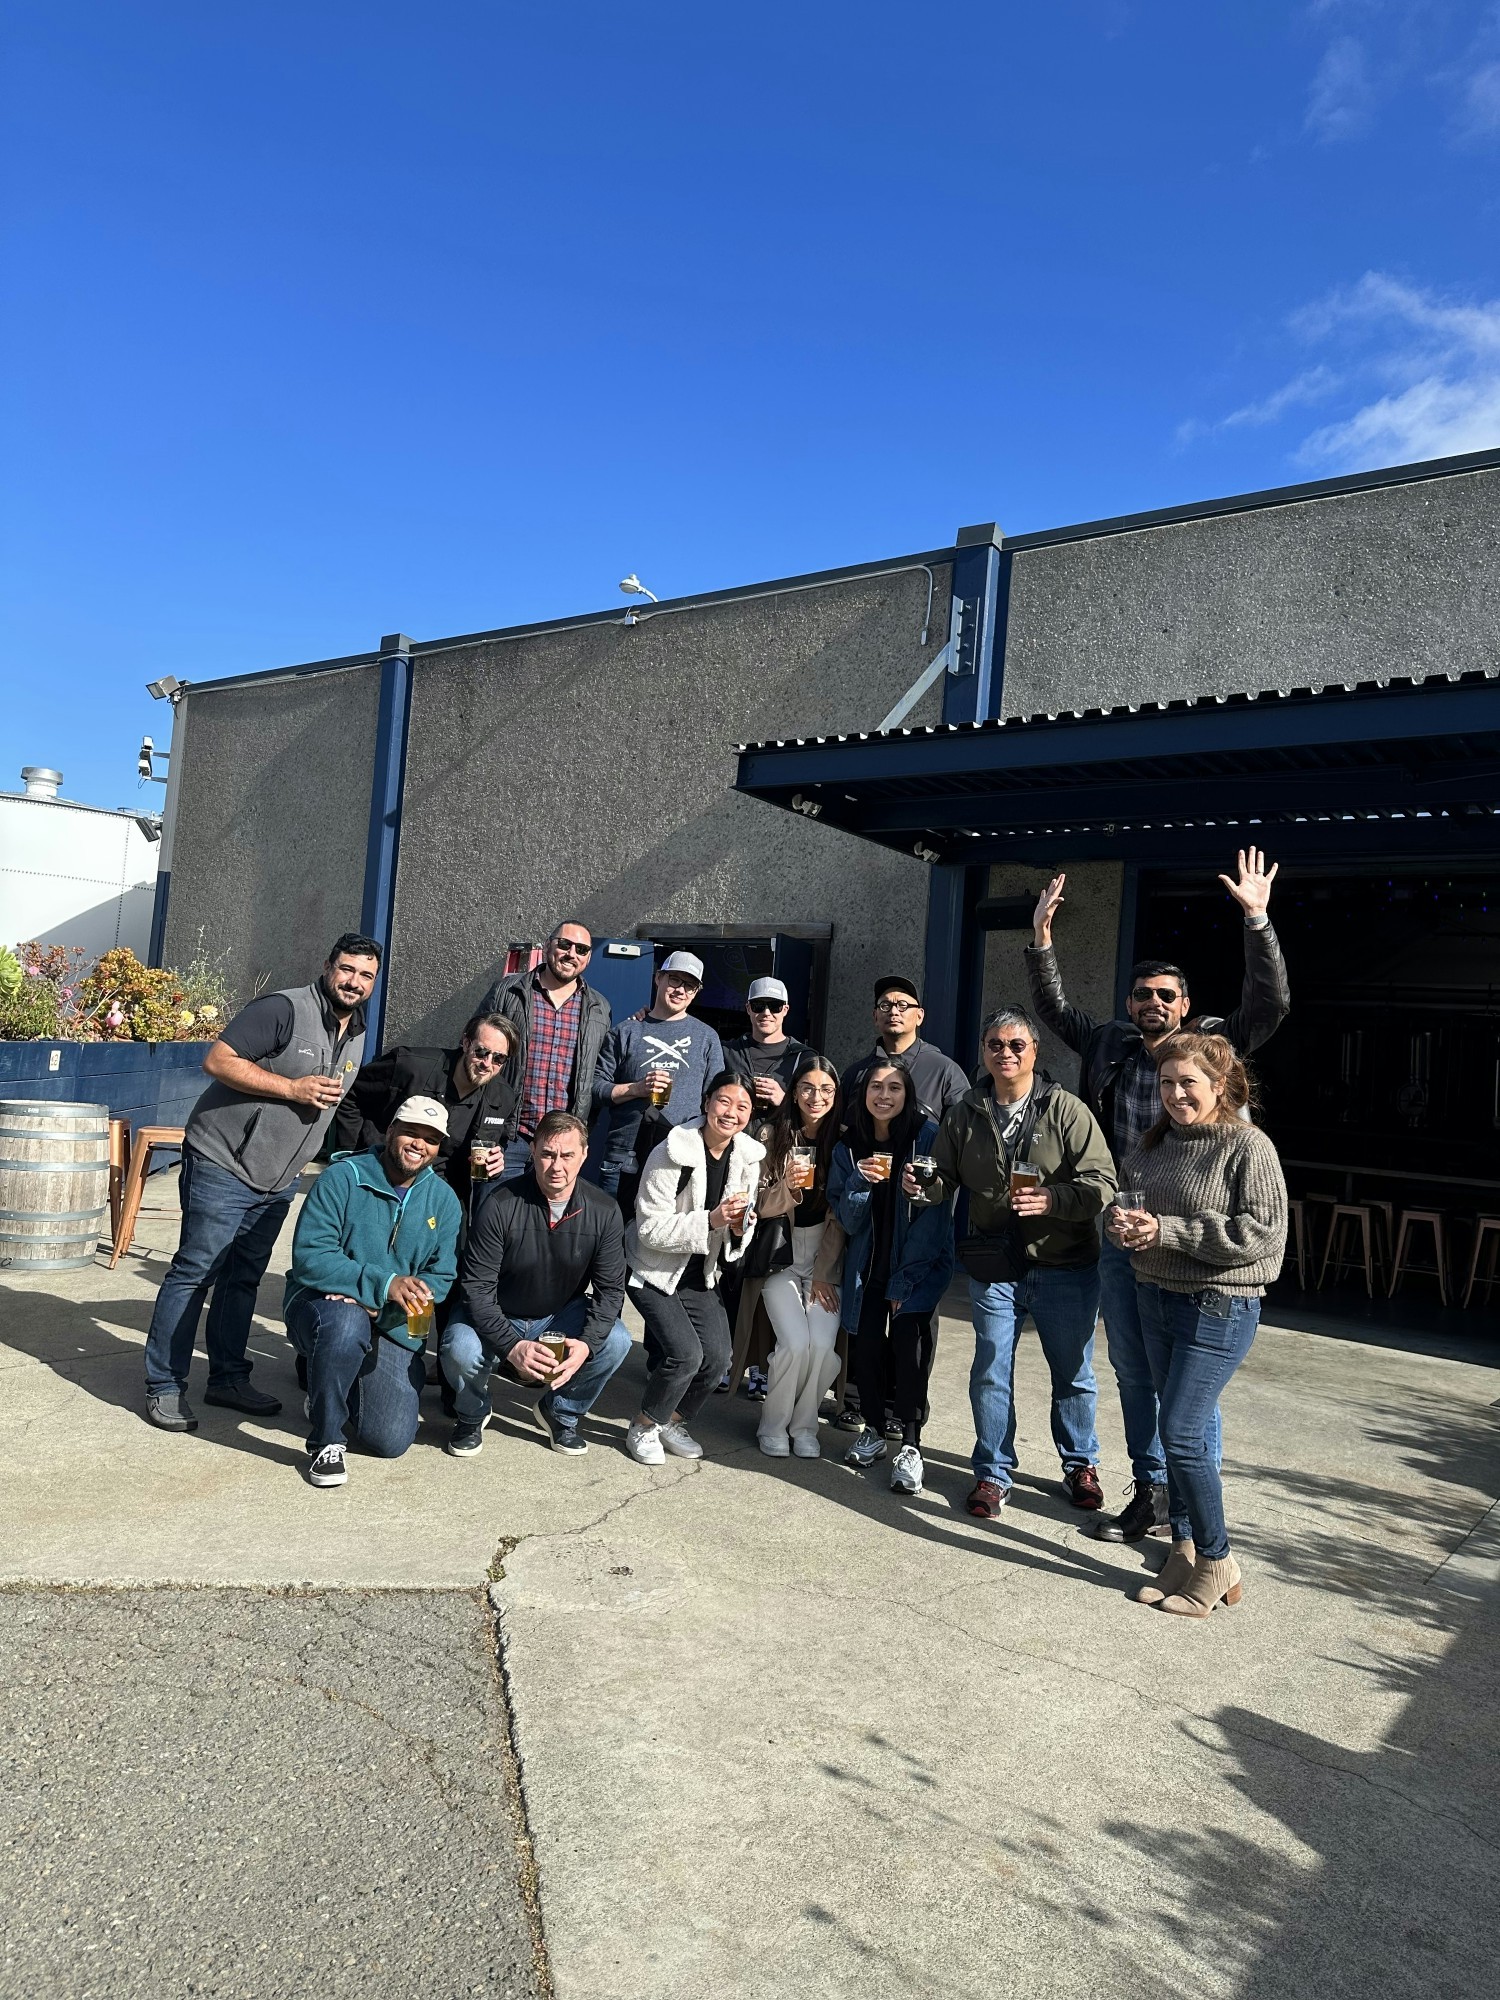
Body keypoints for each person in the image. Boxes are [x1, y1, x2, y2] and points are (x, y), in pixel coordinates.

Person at [1026, 848, 1290, 1545]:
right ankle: (1152, 1491)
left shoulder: (1214, 1047)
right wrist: (1042, 941)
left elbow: (1272, 1003)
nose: (1152, 1005)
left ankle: (1194, 1511)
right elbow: (1053, 1007)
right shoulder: (1110, 1042)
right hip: (1123, 1232)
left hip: (1197, 1249)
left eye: (1165, 996)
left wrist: (1258, 921)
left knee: (1188, 1396)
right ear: (1129, 1004)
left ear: (1187, 1006)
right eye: (1142, 995)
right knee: (1133, 1370)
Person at [142, 932, 380, 1432]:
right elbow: (218, 1060)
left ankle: (227, 1378)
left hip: (278, 1178)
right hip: (222, 1161)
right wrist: (291, 1087)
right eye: (347, 969)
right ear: (327, 965)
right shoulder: (284, 1009)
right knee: (196, 1270)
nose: (354, 982)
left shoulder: (356, 1030)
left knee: (243, 1278)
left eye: (366, 975)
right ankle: (164, 1384)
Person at [1107, 1033, 1287, 1617]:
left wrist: (1168, 1232)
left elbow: (1263, 1235)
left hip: (1219, 1306)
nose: (1176, 1094)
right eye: (1166, 1083)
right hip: (1155, 1297)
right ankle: (1183, 1548)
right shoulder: (1155, 1144)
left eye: (1188, 1083)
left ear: (1219, 1086)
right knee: (1175, 1427)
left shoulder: (1247, 1147)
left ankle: (1217, 1559)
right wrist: (1121, 1223)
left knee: (1182, 1434)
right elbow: (1128, 1204)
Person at [919, 1007, 1115, 1521]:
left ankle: (1080, 1465)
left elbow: (1103, 1183)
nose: (1005, 1054)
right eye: (994, 1045)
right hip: (995, 1264)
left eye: (1016, 1045)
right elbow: (942, 1177)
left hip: (1065, 1263)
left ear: (1035, 1052)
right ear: (983, 1052)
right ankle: (992, 1472)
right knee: (990, 1369)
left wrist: (1053, 1200)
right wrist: (923, 1186)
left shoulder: (1066, 1110)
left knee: (1073, 1373)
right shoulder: (965, 1111)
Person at [283, 1095, 462, 1487]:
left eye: (430, 1139)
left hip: (393, 1321)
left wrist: (384, 1308)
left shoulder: (445, 1201)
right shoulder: (343, 1177)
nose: (419, 1144)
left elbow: (443, 1278)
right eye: (411, 1132)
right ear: (391, 1130)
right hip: (321, 1305)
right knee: (345, 1323)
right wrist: (383, 1284)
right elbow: (311, 1256)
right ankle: (326, 1442)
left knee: (390, 1439)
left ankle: (326, 1385)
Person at [440, 1111, 633, 1458]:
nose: (556, 1165)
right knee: (459, 1347)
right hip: (499, 1313)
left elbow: (610, 1292)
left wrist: (586, 1346)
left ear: (584, 1154)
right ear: (533, 1151)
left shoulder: (604, 1211)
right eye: (547, 1154)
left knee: (616, 1339)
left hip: (558, 1317)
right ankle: (472, 1413)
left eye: (567, 1155)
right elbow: (476, 1290)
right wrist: (513, 1346)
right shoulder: (499, 1203)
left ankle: (561, 1412)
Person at [828, 1057, 954, 1496]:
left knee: (910, 1351)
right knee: (866, 1349)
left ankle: (912, 1444)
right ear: (863, 1095)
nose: (884, 1095)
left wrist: (907, 1282)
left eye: (895, 1087)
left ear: (909, 1094)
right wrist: (860, 1183)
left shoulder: (926, 1139)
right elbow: (847, 1219)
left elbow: (936, 1219)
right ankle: (875, 1431)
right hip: (867, 1270)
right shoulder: (848, 1148)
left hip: (915, 1268)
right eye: (876, 1087)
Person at [624, 1070, 763, 1464]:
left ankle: (671, 1419)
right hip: (652, 1270)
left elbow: (740, 1225)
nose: (731, 1113)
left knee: (718, 1358)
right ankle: (644, 1424)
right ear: (706, 1103)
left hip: (699, 1271)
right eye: (723, 1101)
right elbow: (649, 1228)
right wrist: (713, 1221)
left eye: (742, 1106)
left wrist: (739, 1227)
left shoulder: (748, 1157)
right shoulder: (672, 1150)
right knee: (685, 1355)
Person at [747, 1057, 846, 1459]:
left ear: (836, 1095)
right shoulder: (772, 1135)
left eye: (825, 1089)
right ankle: (773, 1424)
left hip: (825, 1259)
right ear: (794, 1091)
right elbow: (757, 1205)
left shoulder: (843, 1140)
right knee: (795, 1344)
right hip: (780, 1259)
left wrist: (823, 1274)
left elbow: (841, 1217)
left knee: (823, 1348)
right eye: (807, 1087)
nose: (816, 1097)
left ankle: (804, 1425)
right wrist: (786, 1187)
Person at [335, 1012, 518, 1207]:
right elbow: (350, 1094)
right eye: (481, 1052)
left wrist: (494, 1166)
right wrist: (356, 1155)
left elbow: (496, 1145)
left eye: (498, 1058)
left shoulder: (503, 1098)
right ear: (465, 1043)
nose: (487, 1064)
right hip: (383, 1178)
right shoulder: (410, 1066)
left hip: (442, 1197)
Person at [593, 951, 726, 1207]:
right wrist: (636, 1088)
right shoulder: (626, 1031)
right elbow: (596, 1088)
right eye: (674, 980)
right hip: (624, 1154)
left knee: (668, 1238)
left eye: (690, 985)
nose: (680, 990)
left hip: (679, 1153)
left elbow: (715, 1099)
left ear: (696, 992)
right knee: (614, 1236)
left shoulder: (707, 1037)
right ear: (658, 978)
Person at [480, 922, 612, 1179]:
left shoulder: (599, 1008)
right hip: (508, 1138)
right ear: (549, 945)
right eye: (565, 944)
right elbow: (475, 1052)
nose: (571, 954)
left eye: (582, 949)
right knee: (494, 1215)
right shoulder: (508, 992)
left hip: (563, 1147)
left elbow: (600, 1073)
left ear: (588, 957)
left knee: (550, 1219)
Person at [842, 975, 971, 1125]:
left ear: (919, 1016)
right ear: (875, 1016)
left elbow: (962, 1130)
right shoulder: (855, 1073)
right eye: (885, 1005)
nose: (894, 1012)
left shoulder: (944, 1071)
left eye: (903, 1005)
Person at [723, 977, 809, 1122]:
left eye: (775, 1006)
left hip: (781, 1142)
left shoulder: (803, 1057)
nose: (766, 1013)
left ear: (785, 1010)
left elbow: (817, 1113)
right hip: (735, 1141)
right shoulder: (727, 1052)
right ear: (748, 1009)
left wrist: (784, 1100)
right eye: (758, 1006)